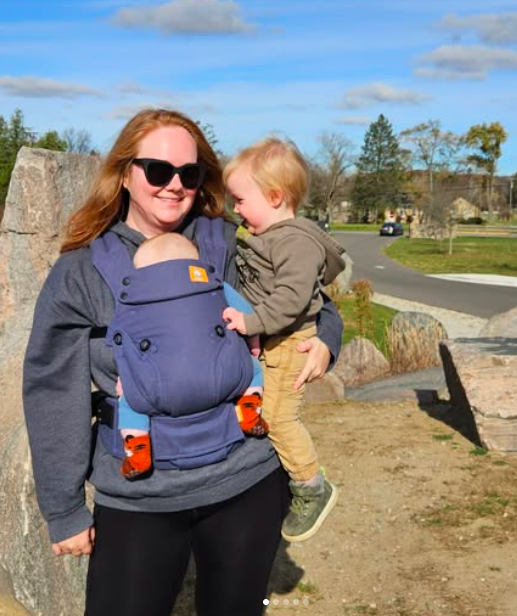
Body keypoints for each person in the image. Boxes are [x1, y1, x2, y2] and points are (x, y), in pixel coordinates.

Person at [22, 109, 343, 616]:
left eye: (189, 174)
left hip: (246, 479)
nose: (174, 185)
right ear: (124, 173)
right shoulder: (81, 270)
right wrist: (62, 508)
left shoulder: (233, 244)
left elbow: (307, 296)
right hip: (138, 494)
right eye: (157, 170)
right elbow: (51, 385)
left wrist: (327, 338)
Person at [222, 137, 346, 542]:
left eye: (240, 200)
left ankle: (311, 486)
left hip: (291, 344)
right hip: (275, 341)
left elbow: (291, 301)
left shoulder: (295, 242)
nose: (235, 209)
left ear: (275, 196)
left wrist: (249, 322)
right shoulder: (267, 234)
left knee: (278, 418)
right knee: (265, 411)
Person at [115, 231, 268, 480]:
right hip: (224, 375)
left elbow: (123, 341)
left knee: (131, 402)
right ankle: (249, 409)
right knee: (252, 369)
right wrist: (253, 345)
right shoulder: (216, 285)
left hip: (158, 388)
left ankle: (138, 448)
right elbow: (247, 316)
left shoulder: (133, 302)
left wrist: (128, 380)